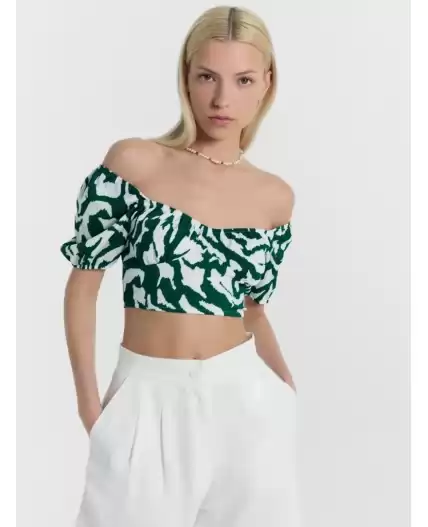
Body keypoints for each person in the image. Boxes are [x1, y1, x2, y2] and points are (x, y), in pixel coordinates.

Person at [61, 5, 301, 527]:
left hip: (246, 403)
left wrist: (285, 390)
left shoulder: (274, 197)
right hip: (147, 397)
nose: (222, 99)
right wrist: (89, 406)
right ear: (186, 76)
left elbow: (253, 309)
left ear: (266, 83)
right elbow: (83, 285)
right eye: (207, 77)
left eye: (242, 80)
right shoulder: (133, 164)